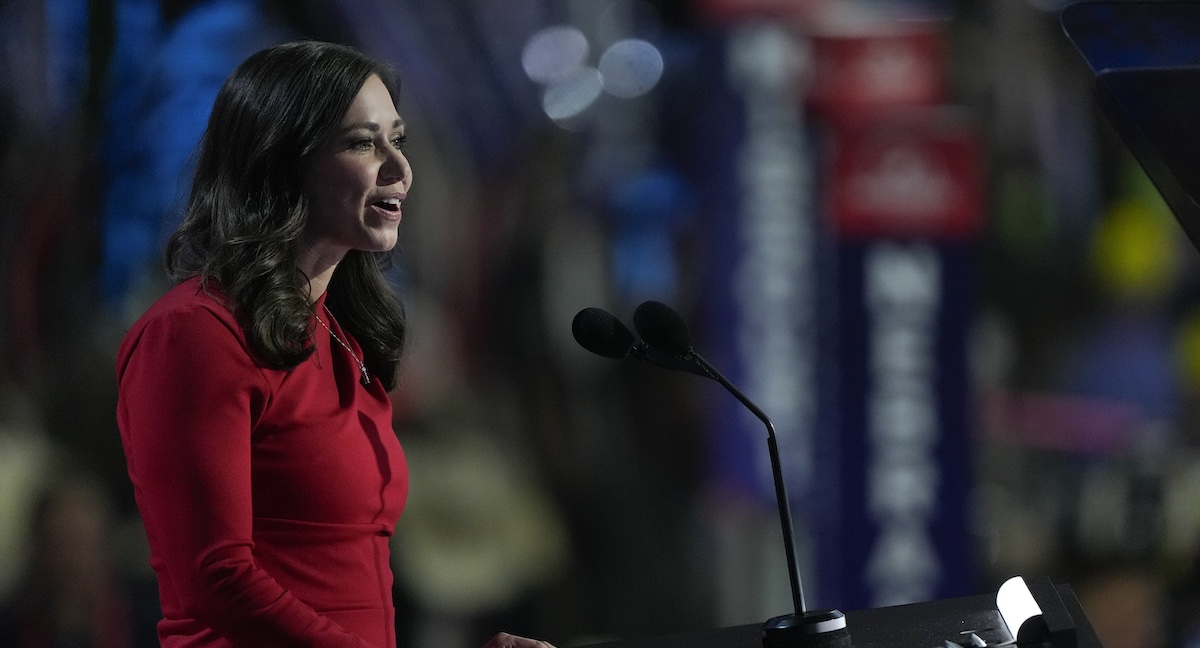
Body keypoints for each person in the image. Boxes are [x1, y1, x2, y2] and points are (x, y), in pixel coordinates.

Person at [115, 40, 555, 648]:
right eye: (361, 142)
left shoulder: (342, 333)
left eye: (396, 140)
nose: (399, 168)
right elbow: (215, 579)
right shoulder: (193, 334)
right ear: (281, 159)